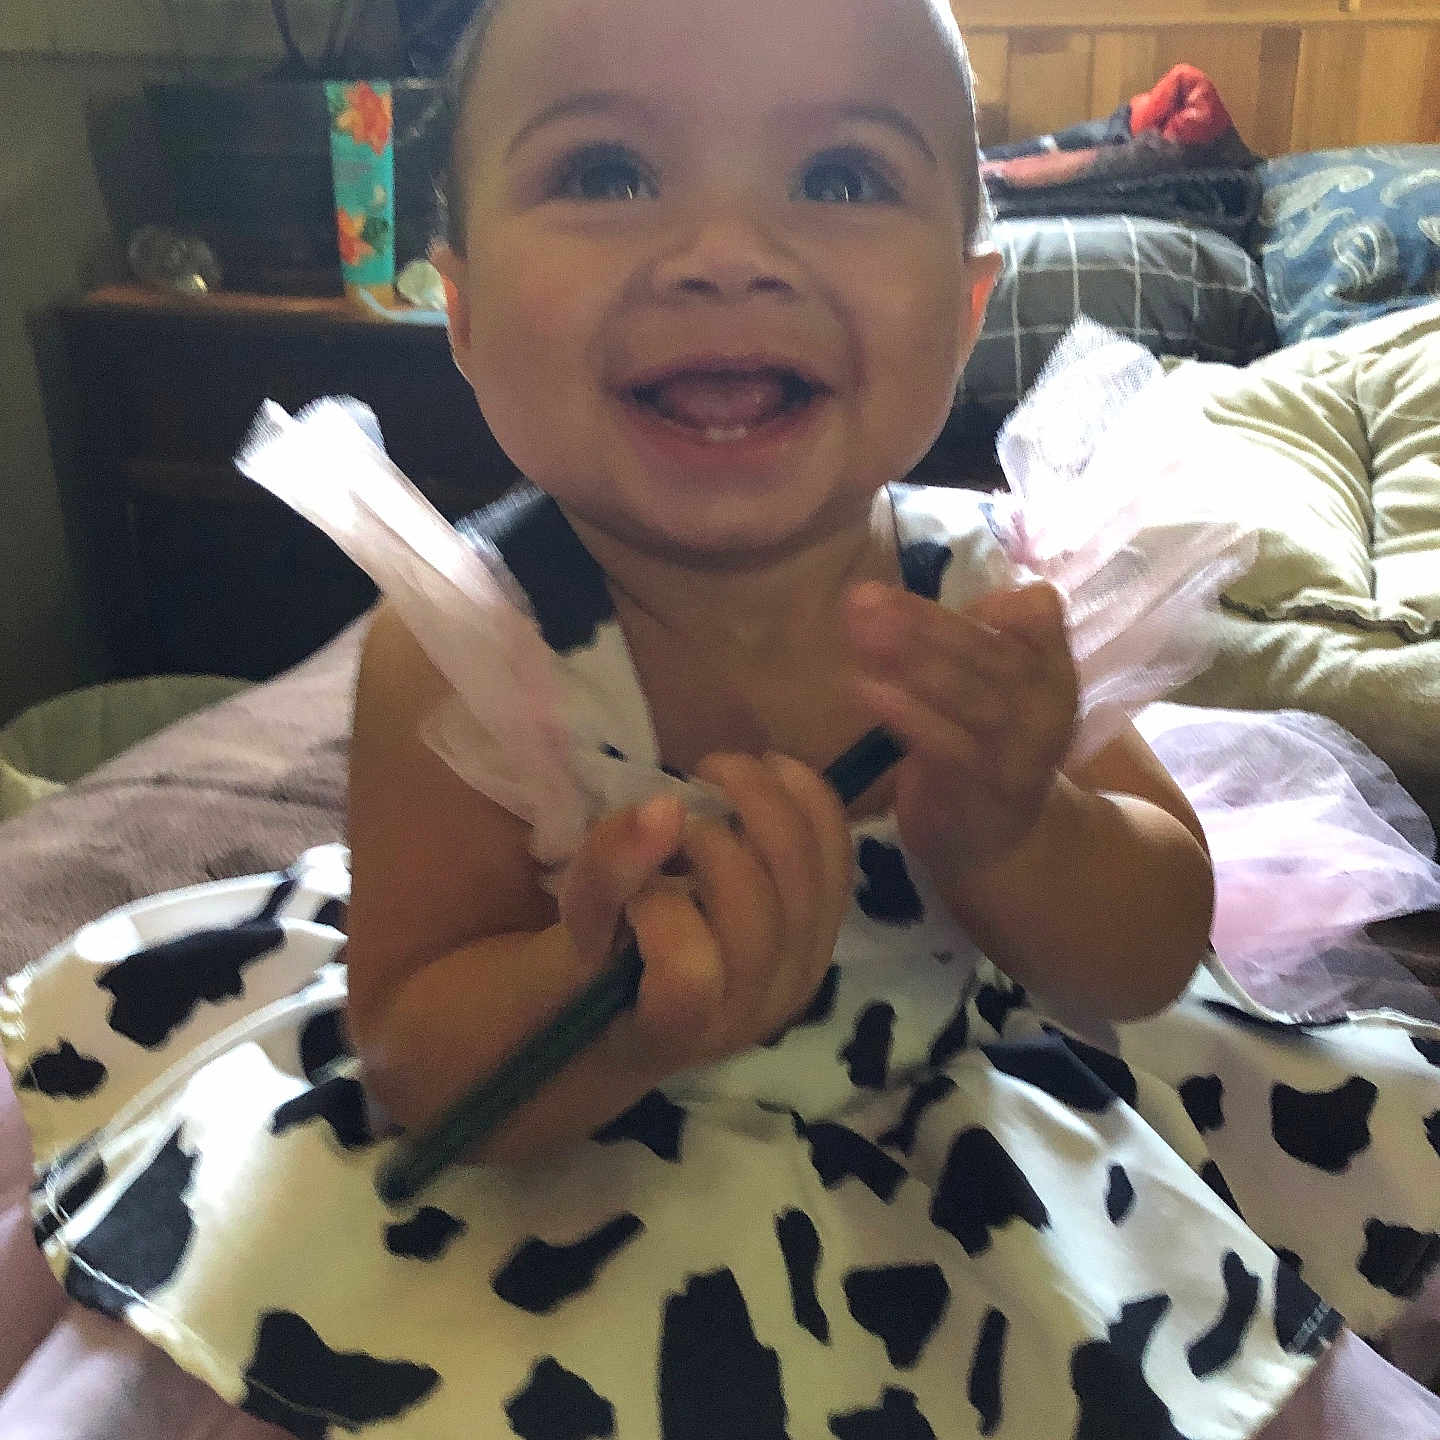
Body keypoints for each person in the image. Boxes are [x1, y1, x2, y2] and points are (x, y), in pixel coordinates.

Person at [4, 0, 1440, 1435]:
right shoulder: (467, 648)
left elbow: (1148, 949)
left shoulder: (989, 603)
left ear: (963, 302)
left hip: (945, 1163)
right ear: (460, 303)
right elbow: (414, 1053)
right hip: (546, 1209)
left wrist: (1021, 827)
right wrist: (601, 998)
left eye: (841, 178)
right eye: (609, 172)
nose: (725, 254)